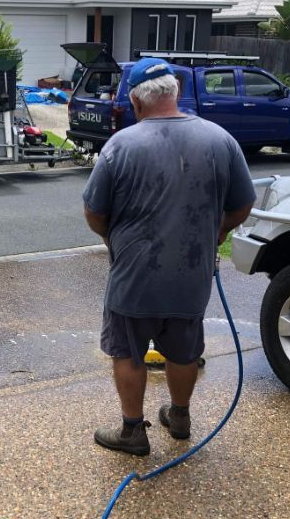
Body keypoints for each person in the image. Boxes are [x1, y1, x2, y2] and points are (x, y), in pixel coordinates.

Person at [83, 58, 255, 456]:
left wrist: (112, 238)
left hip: (134, 275)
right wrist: (218, 232)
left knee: (127, 350)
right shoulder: (220, 140)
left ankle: (132, 432)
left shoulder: (121, 145)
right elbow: (243, 204)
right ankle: (179, 418)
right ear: (176, 91)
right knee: (184, 349)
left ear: (136, 102)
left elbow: (94, 211)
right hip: (191, 273)